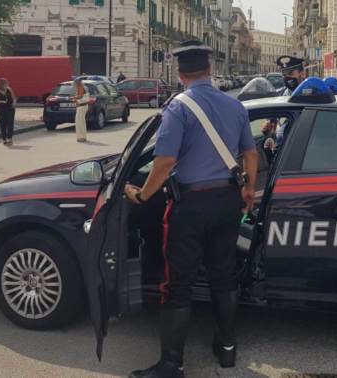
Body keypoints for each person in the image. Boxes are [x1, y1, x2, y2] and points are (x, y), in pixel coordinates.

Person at [123, 40, 258, 378]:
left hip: (191, 205)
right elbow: (250, 154)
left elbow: (165, 161)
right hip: (228, 202)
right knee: (223, 275)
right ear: (210, 70)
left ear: (180, 73)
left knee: (178, 283)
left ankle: (171, 365)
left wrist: (142, 195)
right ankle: (227, 349)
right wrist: (248, 190)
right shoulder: (236, 107)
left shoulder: (178, 107)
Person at [0, 78, 16, 146]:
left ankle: (10, 139)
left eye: (7, 83)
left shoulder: (9, 89)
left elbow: (14, 98)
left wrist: (14, 103)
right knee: (3, 124)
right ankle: (4, 139)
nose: (7, 84)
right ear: (1, 84)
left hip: (10, 108)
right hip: (1, 109)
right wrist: (1, 101)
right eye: (5, 83)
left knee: (10, 124)